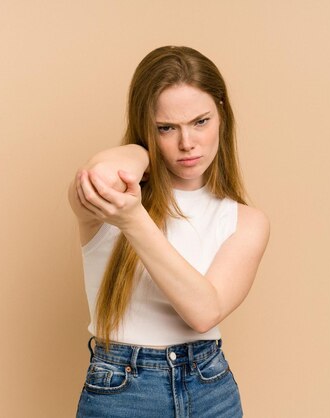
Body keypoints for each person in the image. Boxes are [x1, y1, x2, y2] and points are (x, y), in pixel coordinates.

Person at [69, 45, 269, 418]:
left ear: (221, 116)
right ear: (147, 128)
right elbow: (98, 175)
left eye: (200, 121)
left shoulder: (244, 221)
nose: (187, 143)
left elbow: (203, 312)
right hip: (121, 391)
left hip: (210, 388)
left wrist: (134, 222)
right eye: (166, 128)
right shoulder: (113, 198)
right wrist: (142, 154)